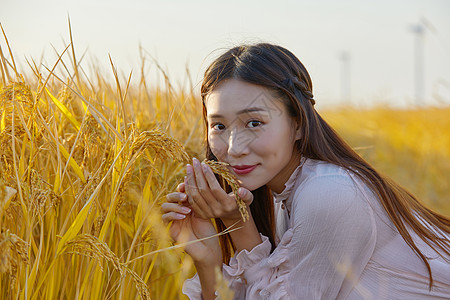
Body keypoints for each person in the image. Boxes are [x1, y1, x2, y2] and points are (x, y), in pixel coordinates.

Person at [161, 43, 450, 299]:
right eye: (219, 126)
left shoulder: (329, 193)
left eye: (254, 123)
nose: (234, 148)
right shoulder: (281, 201)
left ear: (297, 124)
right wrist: (209, 258)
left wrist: (239, 222)